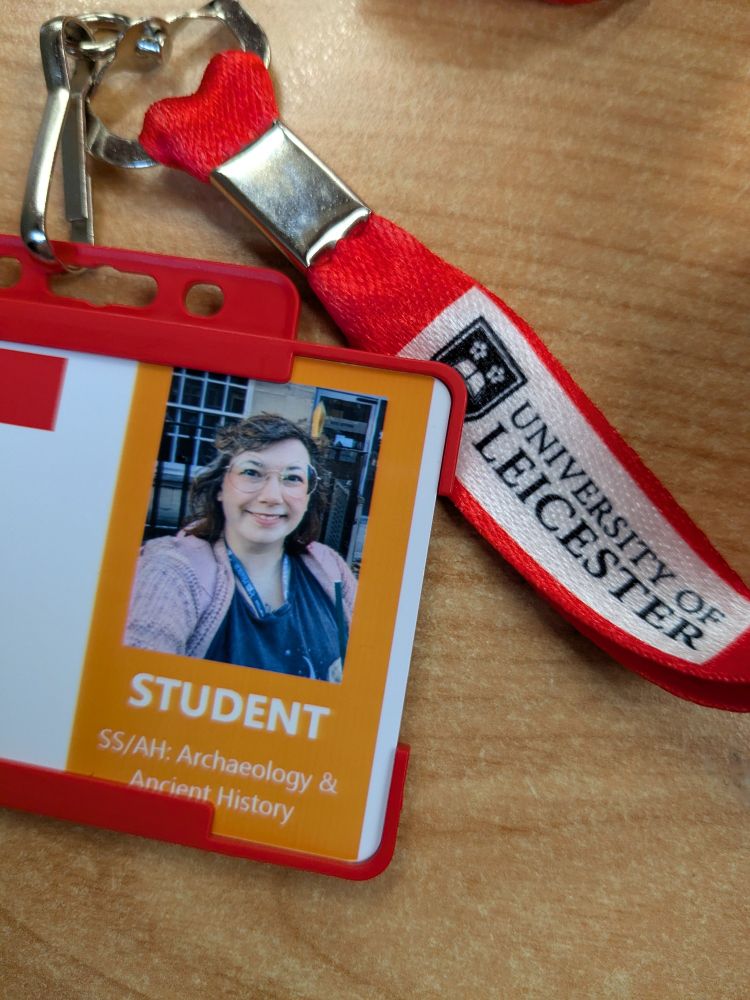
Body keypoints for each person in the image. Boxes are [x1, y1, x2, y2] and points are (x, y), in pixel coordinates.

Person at [125, 413, 357, 683]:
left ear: (308, 496)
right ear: (220, 486)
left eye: (292, 478)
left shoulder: (330, 566)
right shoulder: (171, 571)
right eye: (251, 473)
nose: (271, 496)